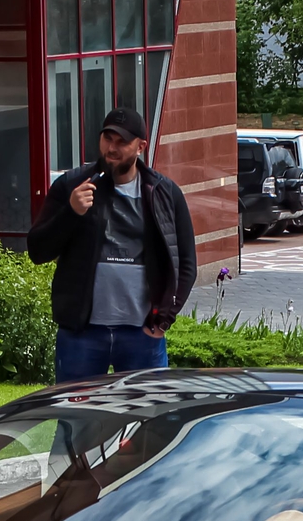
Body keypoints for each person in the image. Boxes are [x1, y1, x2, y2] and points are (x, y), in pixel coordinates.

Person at [28, 108, 198, 383]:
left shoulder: (164, 193)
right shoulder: (73, 186)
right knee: (78, 420)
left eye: (122, 142)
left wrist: (164, 319)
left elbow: (186, 264)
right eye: (108, 139)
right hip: (82, 333)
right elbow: (38, 251)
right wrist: (71, 212)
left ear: (141, 146)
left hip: (141, 335)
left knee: (147, 419)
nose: (112, 148)